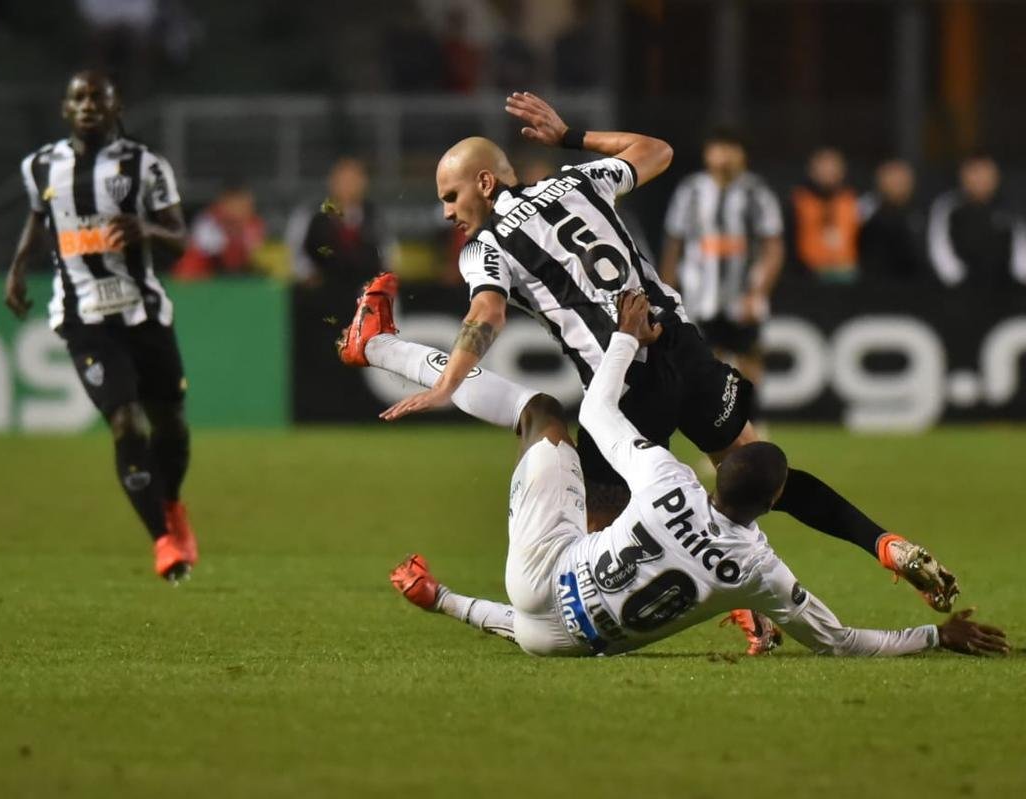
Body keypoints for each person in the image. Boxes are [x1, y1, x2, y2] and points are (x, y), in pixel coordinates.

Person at [343, 91, 957, 649]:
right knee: (753, 474)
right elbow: (655, 151)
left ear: (483, 181)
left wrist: (448, 383)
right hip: (686, 353)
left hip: (625, 378)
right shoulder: (578, 181)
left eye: (451, 196)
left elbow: (487, 311)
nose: (448, 211)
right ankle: (880, 543)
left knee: (587, 554)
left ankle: (693, 613)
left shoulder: (487, 245)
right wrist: (570, 137)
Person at [387, 292, 1008, 659]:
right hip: (567, 642)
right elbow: (841, 640)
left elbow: (599, 408)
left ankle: (385, 349)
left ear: (717, 479)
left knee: (541, 414)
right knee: (550, 623)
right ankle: (439, 599)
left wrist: (626, 340)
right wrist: (935, 636)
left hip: (545, 572)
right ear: (769, 508)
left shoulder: (668, 480)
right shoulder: (759, 572)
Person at [4, 71, 199, 582]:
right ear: (65, 109)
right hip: (82, 317)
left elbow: (181, 237)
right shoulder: (41, 165)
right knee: (126, 422)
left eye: (97, 97)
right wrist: (18, 267)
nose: (87, 105)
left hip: (144, 311)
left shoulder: (145, 165)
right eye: (78, 98)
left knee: (171, 425)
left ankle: (172, 504)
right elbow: (38, 216)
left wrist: (147, 229)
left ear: (116, 107)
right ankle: (162, 540)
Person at [659, 127, 783, 399]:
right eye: (718, 148)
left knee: (750, 355)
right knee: (706, 358)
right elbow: (674, 244)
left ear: (743, 154)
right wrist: (668, 291)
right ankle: (719, 423)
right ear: (707, 154)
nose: (724, 155)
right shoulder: (690, 191)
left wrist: (759, 293)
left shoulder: (756, 192)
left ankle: (753, 419)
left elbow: (773, 247)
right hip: (700, 294)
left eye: (731, 148)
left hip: (744, 293)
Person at [286, 157, 393, 292]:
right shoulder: (311, 214)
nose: (348, 186)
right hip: (322, 291)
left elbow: (387, 252)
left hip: (364, 291)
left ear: (364, 183)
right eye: (343, 180)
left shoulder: (375, 216)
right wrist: (308, 276)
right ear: (332, 182)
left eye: (354, 180)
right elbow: (296, 252)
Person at [927, 152, 1026, 290]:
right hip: (961, 289)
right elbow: (939, 247)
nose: (980, 179)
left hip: (1005, 288)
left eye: (986, 173)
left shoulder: (1010, 206)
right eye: (975, 173)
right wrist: (956, 280)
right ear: (963, 176)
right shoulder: (948, 206)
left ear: (996, 176)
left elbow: (1021, 251)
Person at [790, 147, 861, 281]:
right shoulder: (797, 201)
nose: (827, 172)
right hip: (808, 276)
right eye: (822, 168)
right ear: (811, 171)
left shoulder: (853, 201)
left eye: (832, 168)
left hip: (848, 275)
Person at [171, 186, 265, 280]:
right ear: (222, 204)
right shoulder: (208, 220)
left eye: (245, 205)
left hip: (243, 269)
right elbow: (205, 251)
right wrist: (231, 234)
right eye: (234, 204)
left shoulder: (254, 223)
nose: (239, 209)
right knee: (191, 261)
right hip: (210, 267)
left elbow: (255, 252)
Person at [858, 159, 929, 281]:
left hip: (917, 284)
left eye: (901, 179)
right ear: (879, 182)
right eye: (891, 178)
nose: (896, 183)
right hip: (872, 284)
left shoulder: (925, 211)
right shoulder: (863, 209)